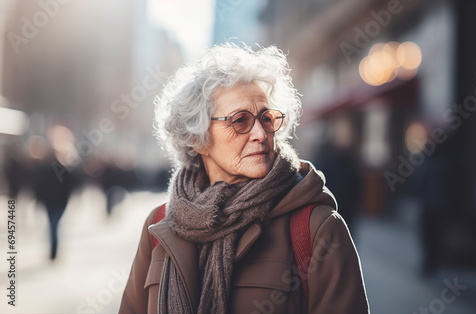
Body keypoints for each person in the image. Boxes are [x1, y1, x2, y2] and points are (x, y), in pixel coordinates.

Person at [119, 43, 369, 314]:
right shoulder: (160, 224)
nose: (261, 134)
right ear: (198, 138)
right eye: (240, 121)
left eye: (267, 119)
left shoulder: (316, 227)